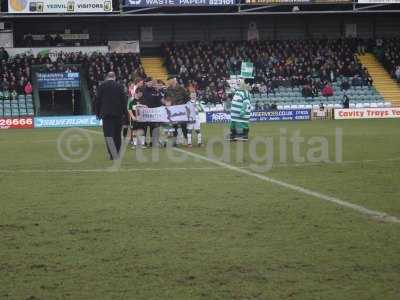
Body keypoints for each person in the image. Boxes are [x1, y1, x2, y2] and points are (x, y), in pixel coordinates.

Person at [95, 72, 128, 160]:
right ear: (115, 77)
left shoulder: (101, 86)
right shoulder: (120, 86)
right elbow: (124, 102)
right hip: (118, 114)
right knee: (117, 135)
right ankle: (117, 153)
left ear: (107, 77)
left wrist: (97, 113)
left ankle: (111, 154)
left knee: (109, 135)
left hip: (106, 115)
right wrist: (126, 116)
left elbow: (97, 101)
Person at [165, 75, 190, 147]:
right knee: (174, 126)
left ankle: (186, 140)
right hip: (172, 110)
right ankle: (174, 141)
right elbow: (166, 99)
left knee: (183, 126)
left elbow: (187, 98)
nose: (169, 81)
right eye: (168, 80)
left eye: (169, 80)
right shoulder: (168, 89)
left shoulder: (181, 88)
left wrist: (183, 106)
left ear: (173, 80)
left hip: (181, 110)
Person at [142, 78, 163, 147]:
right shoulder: (143, 90)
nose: (150, 83)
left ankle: (152, 142)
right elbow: (139, 99)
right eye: (149, 82)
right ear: (146, 83)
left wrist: (158, 91)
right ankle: (143, 142)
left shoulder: (155, 90)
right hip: (144, 112)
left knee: (153, 128)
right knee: (144, 128)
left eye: (151, 82)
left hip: (153, 112)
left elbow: (159, 100)